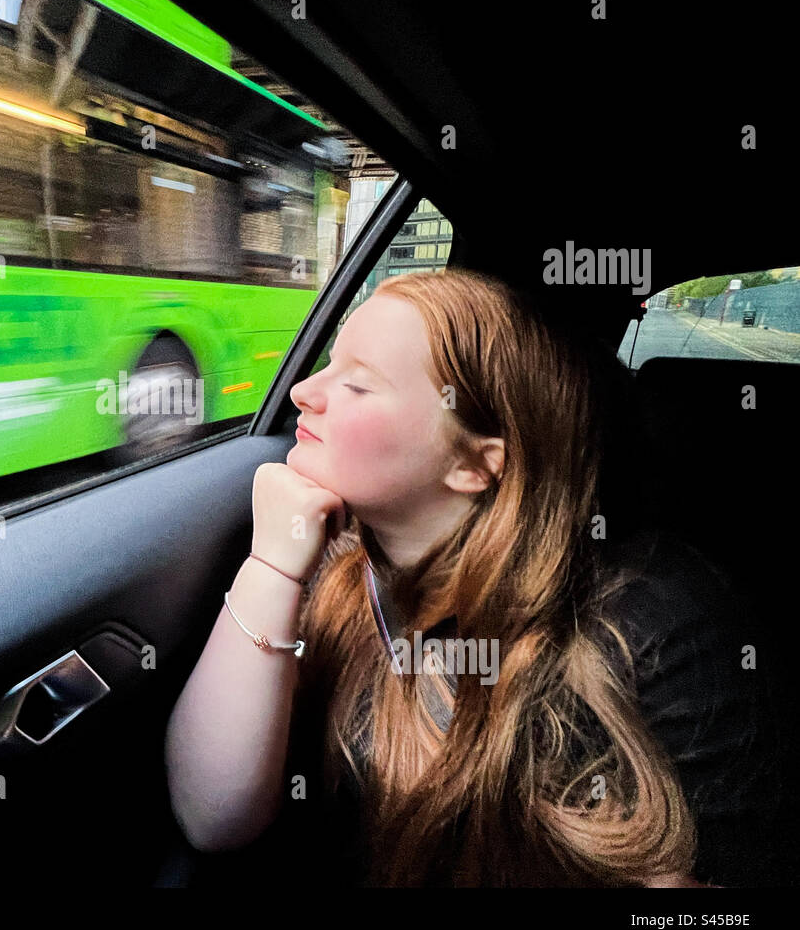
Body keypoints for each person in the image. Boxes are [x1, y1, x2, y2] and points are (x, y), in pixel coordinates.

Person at [162, 268, 782, 888]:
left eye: (356, 384)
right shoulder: (329, 562)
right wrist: (271, 563)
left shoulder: (649, 624)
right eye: (327, 365)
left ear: (473, 463)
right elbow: (212, 819)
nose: (302, 390)